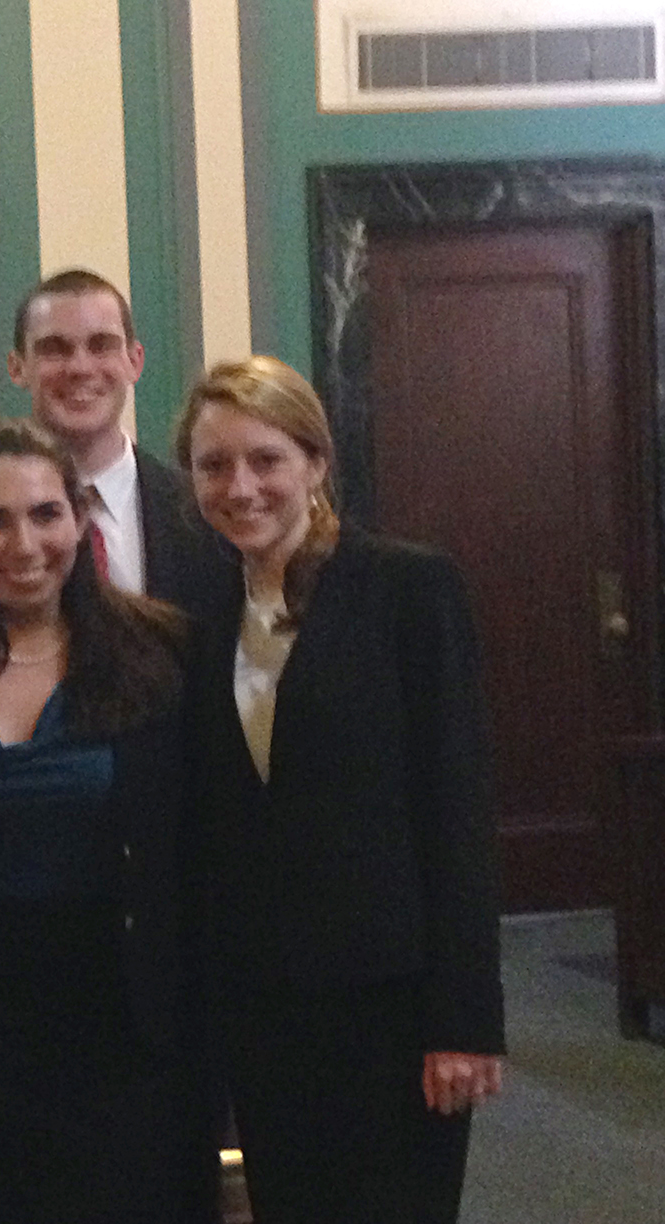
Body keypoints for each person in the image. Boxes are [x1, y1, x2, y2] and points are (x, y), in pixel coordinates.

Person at [175, 355, 505, 1223]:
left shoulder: (405, 586)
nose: (240, 486)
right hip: (265, 1009)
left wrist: (464, 1018)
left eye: (265, 460)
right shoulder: (199, 610)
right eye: (214, 466)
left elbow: (457, 809)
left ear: (316, 463)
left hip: (392, 1009)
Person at [0, 421, 208, 1223]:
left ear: (79, 520)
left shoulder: (157, 652)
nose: (25, 543)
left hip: (123, 1023)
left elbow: (195, 854)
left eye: (46, 514)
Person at [9, 268, 230, 619]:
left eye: (101, 346)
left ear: (134, 361)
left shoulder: (203, 514)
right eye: (55, 349)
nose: (80, 367)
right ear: (17, 367)